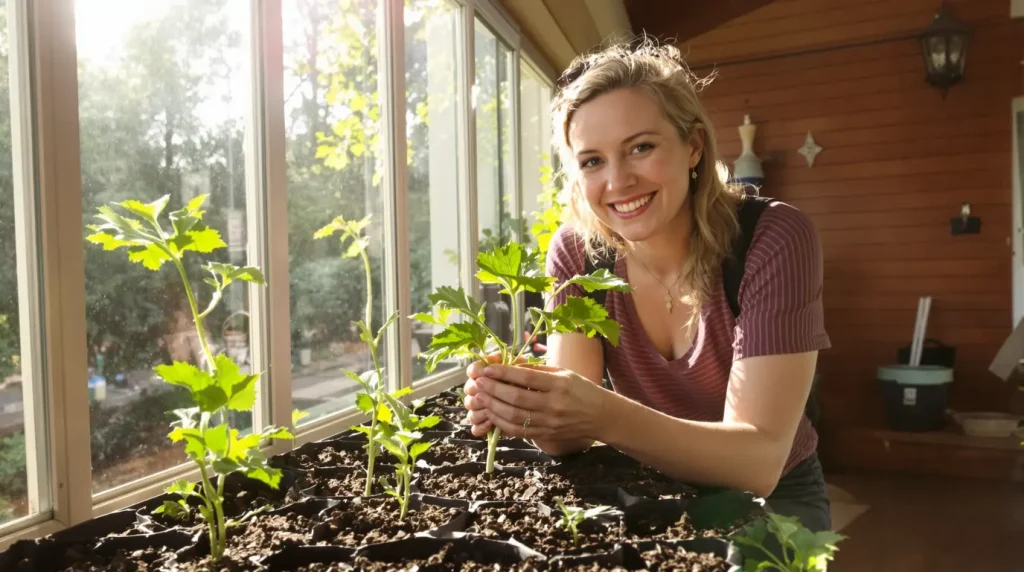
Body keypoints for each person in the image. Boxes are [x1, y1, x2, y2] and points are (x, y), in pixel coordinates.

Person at [462, 39, 832, 532]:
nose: (618, 182)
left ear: (693, 146)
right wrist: (524, 402)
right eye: (592, 161)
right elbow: (567, 439)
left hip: (776, 495)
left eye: (641, 148)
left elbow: (757, 464)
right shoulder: (578, 253)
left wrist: (600, 413)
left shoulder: (772, 238)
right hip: (646, 481)